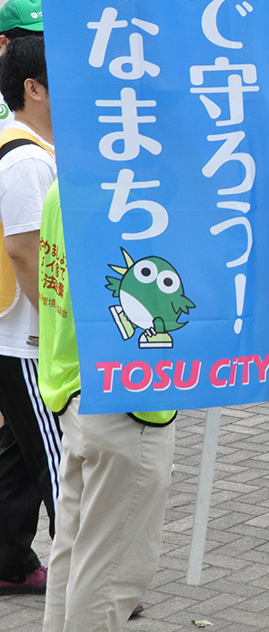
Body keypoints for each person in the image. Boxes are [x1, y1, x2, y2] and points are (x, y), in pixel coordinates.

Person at [37, 180, 176, 630]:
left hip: (76, 388)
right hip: (126, 402)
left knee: (77, 552)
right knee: (112, 570)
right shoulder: (139, 197)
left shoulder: (68, 183)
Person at [0, 37, 61, 599]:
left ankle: (9, 562)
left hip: (20, 339)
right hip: (27, 342)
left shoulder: (36, 149)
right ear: (33, 88)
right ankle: (89, 582)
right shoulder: (23, 158)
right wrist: (60, 332)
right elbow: (24, 251)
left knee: (20, 457)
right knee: (62, 463)